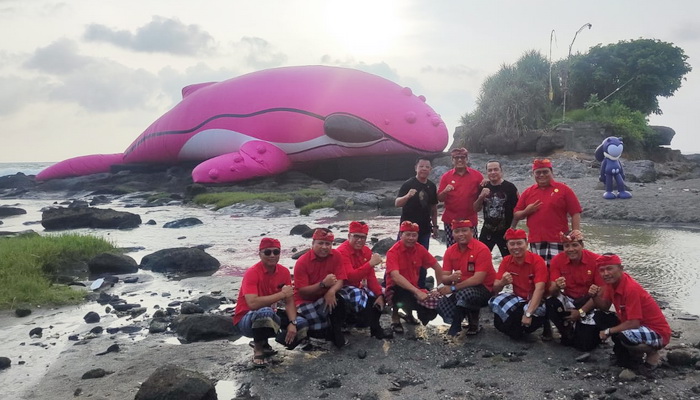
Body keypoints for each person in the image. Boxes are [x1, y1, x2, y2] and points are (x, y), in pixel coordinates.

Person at [589, 253, 671, 374]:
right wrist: (594, 296)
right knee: (600, 317)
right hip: (637, 326)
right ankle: (630, 355)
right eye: (602, 270)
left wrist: (608, 331)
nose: (605, 273)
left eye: (609, 268)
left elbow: (634, 323)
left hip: (657, 332)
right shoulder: (611, 284)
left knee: (625, 335)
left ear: (621, 269)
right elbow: (605, 307)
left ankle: (652, 354)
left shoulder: (630, 288)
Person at [233, 238, 309, 368]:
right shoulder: (252, 273)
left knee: (302, 324)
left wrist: (292, 323)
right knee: (265, 312)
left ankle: (270, 342)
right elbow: (252, 303)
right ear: (260, 254)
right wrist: (281, 294)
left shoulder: (284, 272)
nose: (272, 255)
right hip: (245, 319)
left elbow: (289, 301)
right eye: (267, 252)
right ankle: (258, 348)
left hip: (269, 314)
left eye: (276, 252)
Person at [293, 228, 367, 348]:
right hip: (306, 300)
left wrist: (331, 291)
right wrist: (323, 284)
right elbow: (302, 292)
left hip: (327, 294)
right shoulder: (302, 262)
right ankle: (322, 332)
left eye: (328, 244)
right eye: (320, 243)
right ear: (313, 244)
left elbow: (341, 279)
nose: (324, 247)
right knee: (317, 327)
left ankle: (342, 325)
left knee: (354, 294)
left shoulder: (336, 255)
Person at [546, 232, 617, 351]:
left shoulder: (595, 260)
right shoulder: (557, 260)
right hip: (569, 299)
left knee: (584, 345)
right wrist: (557, 286)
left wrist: (580, 312)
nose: (570, 249)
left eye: (574, 245)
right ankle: (566, 331)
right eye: (566, 246)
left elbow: (601, 294)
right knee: (550, 302)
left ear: (582, 245)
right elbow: (551, 291)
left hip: (590, 301)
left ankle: (586, 329)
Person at [513, 158, 582, 266]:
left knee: (559, 271)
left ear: (551, 172)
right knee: (540, 272)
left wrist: (575, 232)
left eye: (545, 172)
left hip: (558, 239)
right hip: (536, 240)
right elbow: (516, 214)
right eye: (538, 172)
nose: (542, 175)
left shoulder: (564, 189)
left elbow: (575, 212)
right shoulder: (528, 192)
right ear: (533, 174)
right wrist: (527, 211)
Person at [437, 219, 496, 336]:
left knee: (463, 294)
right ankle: (461, 319)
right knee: (440, 301)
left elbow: (477, 279)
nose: (460, 234)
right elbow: (444, 277)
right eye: (457, 231)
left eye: (464, 230)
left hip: (484, 288)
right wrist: (450, 278)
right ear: (452, 233)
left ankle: (463, 324)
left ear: (472, 231)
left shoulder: (482, 249)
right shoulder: (450, 251)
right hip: (461, 286)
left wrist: (453, 288)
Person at [385, 221, 445, 334]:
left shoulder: (420, 248)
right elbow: (395, 277)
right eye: (408, 234)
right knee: (399, 290)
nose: (411, 238)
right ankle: (395, 317)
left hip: (414, 287)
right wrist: (417, 291)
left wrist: (439, 288)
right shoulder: (393, 252)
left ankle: (409, 314)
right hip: (396, 288)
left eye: (414, 235)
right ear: (400, 234)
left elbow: (437, 267)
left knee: (431, 310)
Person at [336, 221, 392, 339]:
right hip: (340, 288)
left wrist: (379, 295)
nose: (360, 240)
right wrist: (370, 263)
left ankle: (375, 328)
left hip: (356, 286)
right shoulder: (341, 252)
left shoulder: (366, 250)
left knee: (384, 292)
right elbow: (351, 277)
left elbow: (370, 276)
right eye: (356, 236)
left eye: (363, 237)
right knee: (359, 294)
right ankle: (350, 323)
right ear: (349, 236)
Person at [489, 229, 548, 340]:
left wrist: (528, 314)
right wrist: (502, 282)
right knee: (496, 308)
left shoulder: (537, 261)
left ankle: (540, 323)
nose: (516, 247)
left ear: (526, 244)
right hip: (519, 298)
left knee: (517, 332)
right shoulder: (506, 260)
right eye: (512, 244)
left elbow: (540, 289)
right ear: (507, 245)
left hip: (536, 299)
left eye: (519, 243)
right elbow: (495, 288)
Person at [395, 156, 439, 288]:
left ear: (430, 169)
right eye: (421, 166)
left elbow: (433, 208)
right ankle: (394, 286)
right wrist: (408, 196)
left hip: (424, 229)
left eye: (427, 167)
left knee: (422, 260)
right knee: (399, 257)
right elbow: (397, 203)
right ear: (416, 168)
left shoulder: (431, 186)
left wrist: (435, 226)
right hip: (407, 230)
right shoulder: (408, 184)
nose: (424, 169)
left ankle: (420, 286)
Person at [438, 148, 484, 247]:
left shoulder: (477, 176)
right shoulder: (446, 177)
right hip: (451, 220)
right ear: (452, 160)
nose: (459, 160)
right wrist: (445, 191)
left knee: (473, 248)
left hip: (470, 220)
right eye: (456, 158)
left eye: (462, 157)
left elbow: (484, 194)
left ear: (467, 159)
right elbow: (440, 198)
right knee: (452, 249)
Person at [473, 160, 519, 257]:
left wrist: (512, 228)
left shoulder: (510, 187)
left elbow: (518, 210)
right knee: (480, 256)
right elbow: (476, 209)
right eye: (490, 170)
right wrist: (481, 197)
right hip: (487, 229)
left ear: (501, 171)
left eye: (495, 169)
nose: (493, 172)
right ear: (487, 173)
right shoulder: (483, 186)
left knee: (509, 258)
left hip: (506, 230)